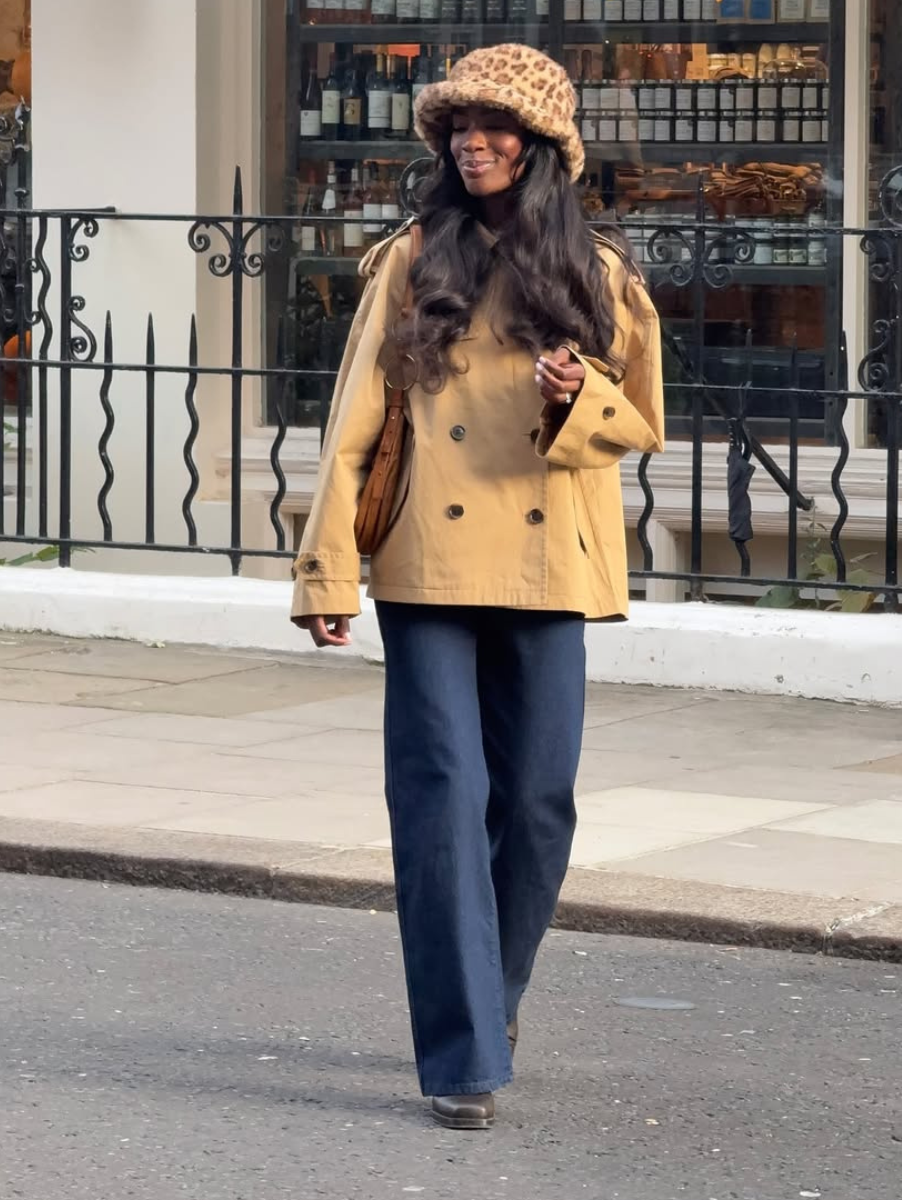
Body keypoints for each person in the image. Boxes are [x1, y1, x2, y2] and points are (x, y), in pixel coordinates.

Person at [291, 43, 664, 1129]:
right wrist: (328, 570)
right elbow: (353, 424)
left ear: (542, 146)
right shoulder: (412, 258)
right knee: (444, 796)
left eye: (496, 125)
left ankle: (491, 999)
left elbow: (639, 421)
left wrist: (576, 391)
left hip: (553, 564)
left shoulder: (599, 270)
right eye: (458, 126)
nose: (474, 141)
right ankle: (462, 1057)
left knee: (540, 803)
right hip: (429, 561)